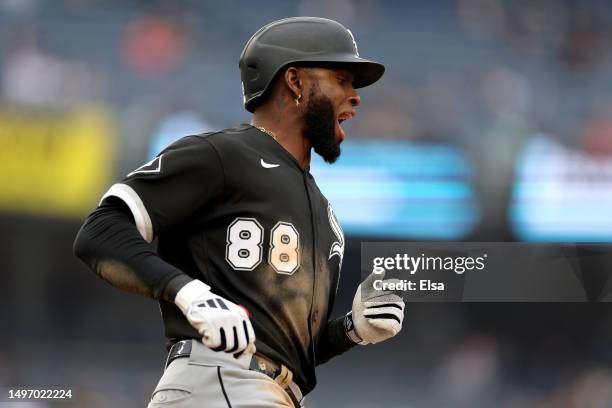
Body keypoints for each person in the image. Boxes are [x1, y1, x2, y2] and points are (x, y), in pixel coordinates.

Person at [74, 17, 405, 408]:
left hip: (269, 392)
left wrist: (351, 331)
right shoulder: (223, 154)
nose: (355, 96)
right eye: (341, 79)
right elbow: (100, 231)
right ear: (295, 82)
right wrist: (190, 294)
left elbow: (286, 349)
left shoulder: (323, 210)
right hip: (219, 383)